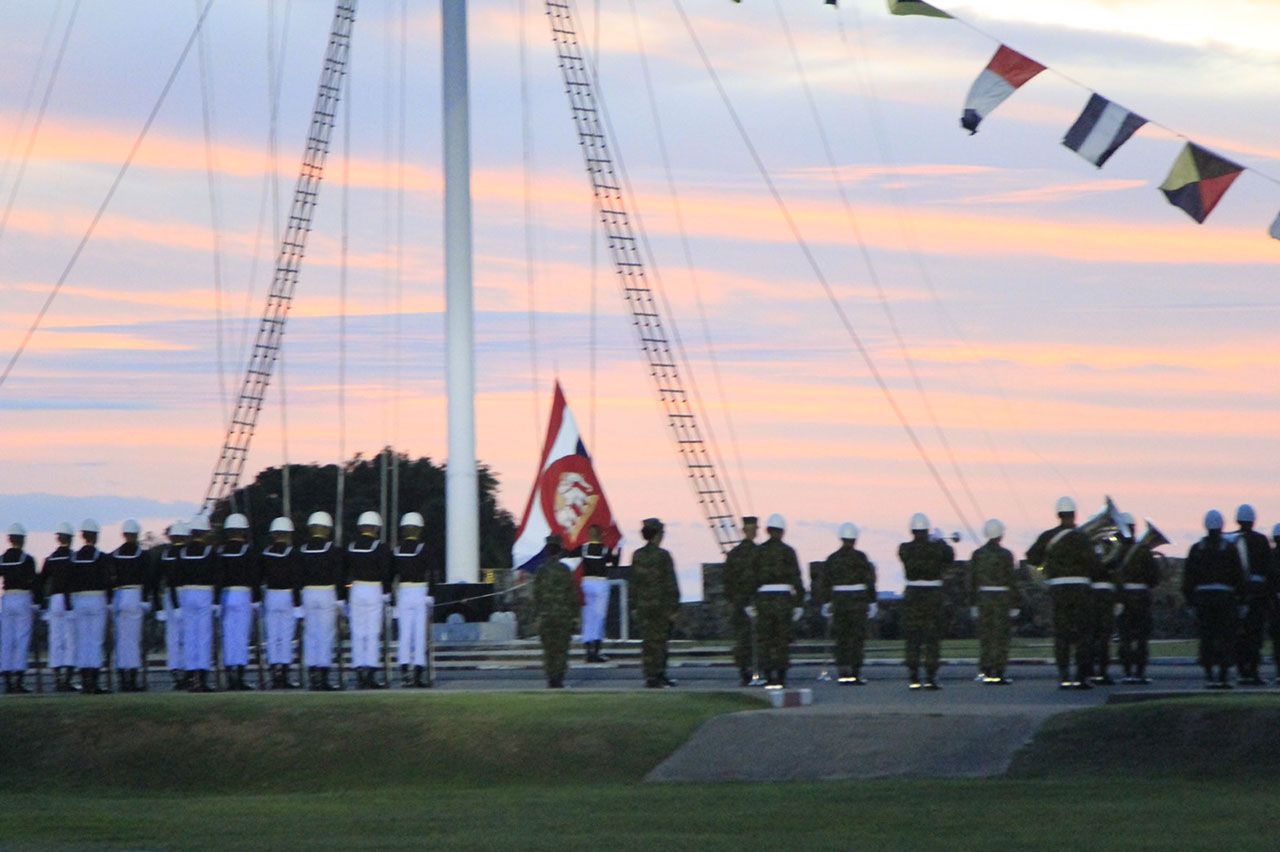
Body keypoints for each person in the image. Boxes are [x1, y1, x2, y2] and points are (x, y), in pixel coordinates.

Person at [1027, 497, 1101, 690]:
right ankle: (1082, 676)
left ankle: (1064, 675)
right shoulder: (1084, 537)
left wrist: (1049, 568)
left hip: (1059, 589)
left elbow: (1032, 557)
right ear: (1074, 514)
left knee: (1062, 633)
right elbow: (1096, 566)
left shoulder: (1048, 536)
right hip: (1081, 589)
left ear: (1058, 514)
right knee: (1084, 633)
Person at [1182, 509, 1245, 689]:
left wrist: (1190, 602)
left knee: (1206, 637)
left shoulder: (1196, 549)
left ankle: (1209, 675)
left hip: (1203, 599)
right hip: (1225, 599)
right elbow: (1239, 576)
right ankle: (1223, 676)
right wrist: (1242, 600)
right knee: (1226, 636)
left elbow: (1188, 579)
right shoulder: (1229, 549)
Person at [815, 522, 877, 685]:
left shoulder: (832, 559)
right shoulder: (861, 558)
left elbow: (824, 582)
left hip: (839, 601)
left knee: (841, 638)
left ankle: (843, 672)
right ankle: (855, 673)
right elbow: (870, 581)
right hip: (858, 601)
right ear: (855, 539)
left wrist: (826, 602)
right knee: (856, 638)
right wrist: (872, 601)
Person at [748, 514, 804, 690]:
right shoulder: (788, 552)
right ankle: (781, 676)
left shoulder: (758, 551)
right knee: (782, 640)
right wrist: (799, 602)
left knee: (765, 640)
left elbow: (750, 578)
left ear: (767, 531)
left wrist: (750, 602)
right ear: (782, 532)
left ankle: (768, 675)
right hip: (783, 600)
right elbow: (797, 579)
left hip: (763, 600)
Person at [900, 513, 954, 689]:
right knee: (932, 637)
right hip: (932, 594)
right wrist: (939, 541)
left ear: (912, 530)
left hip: (913, 594)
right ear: (927, 530)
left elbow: (910, 553)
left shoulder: (904, 548)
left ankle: (914, 677)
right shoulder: (936, 548)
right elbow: (949, 556)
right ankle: (931, 677)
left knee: (913, 636)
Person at [631, 518, 681, 689]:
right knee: (660, 643)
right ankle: (659, 674)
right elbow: (671, 583)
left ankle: (650, 676)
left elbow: (634, 583)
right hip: (661, 607)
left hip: (644, 606)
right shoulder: (663, 556)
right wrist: (674, 607)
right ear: (657, 535)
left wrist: (633, 606)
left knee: (648, 643)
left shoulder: (637, 555)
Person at [298, 511, 344, 691]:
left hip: (308, 593)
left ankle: (312, 674)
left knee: (310, 634)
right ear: (327, 529)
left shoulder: (302, 550)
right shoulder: (333, 550)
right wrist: (340, 599)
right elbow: (339, 575)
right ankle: (323, 675)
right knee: (325, 635)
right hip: (326, 593)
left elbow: (298, 576)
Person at [346, 511, 392, 690]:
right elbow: (386, 571)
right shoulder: (381, 548)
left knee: (357, 632)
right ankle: (371, 673)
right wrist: (387, 592)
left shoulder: (351, 547)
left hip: (356, 589)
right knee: (372, 632)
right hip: (374, 589)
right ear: (376, 528)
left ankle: (359, 672)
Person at [969, 519, 1017, 685]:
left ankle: (985, 670)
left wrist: (972, 603)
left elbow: (972, 580)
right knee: (1001, 636)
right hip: (1002, 598)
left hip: (983, 598)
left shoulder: (977, 554)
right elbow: (1012, 580)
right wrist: (1015, 603)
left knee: (986, 636)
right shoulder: (1006, 555)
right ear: (1000, 534)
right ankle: (999, 671)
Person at [68, 519, 112, 694]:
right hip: (97, 599)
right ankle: (93, 680)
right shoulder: (101, 557)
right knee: (95, 641)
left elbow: (69, 582)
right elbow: (108, 580)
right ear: (96, 536)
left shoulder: (74, 558)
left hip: (79, 600)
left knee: (82, 641)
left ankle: (85, 679)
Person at [1230, 504, 1273, 685]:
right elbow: (1268, 569)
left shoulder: (1230, 540)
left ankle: (1241, 670)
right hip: (1258, 594)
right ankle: (1253, 672)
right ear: (1253, 520)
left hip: (1236, 594)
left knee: (1240, 634)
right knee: (1255, 635)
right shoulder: (1261, 540)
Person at [178, 516, 220, 693]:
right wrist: (216, 601)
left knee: (189, 636)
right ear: (204, 533)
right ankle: (202, 677)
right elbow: (217, 576)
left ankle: (190, 676)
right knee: (203, 636)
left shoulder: (182, 552)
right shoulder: (210, 552)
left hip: (186, 593)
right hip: (204, 593)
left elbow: (176, 577)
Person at [1117, 515, 1161, 684]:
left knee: (1125, 637)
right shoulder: (1144, 551)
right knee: (1142, 637)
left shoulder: (1117, 551)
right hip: (1142, 597)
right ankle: (1140, 673)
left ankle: (1127, 673)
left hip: (1124, 598)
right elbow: (1155, 578)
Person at [219, 513, 260, 691]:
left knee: (229, 637)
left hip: (225, 595)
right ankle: (240, 675)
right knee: (241, 637)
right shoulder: (248, 551)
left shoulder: (220, 551)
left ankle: (230, 675)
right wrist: (256, 599)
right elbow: (254, 577)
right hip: (243, 594)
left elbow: (218, 576)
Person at [392, 512, 433, 688]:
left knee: (405, 635)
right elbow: (432, 573)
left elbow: (391, 574)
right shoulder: (424, 549)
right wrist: (431, 594)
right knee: (419, 635)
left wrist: (393, 600)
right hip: (420, 592)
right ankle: (417, 673)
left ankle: (404, 673)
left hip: (403, 592)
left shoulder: (397, 550)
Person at [533, 534, 578, 688]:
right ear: (560, 550)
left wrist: (537, 616)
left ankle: (551, 678)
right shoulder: (565, 571)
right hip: (563, 615)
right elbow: (572, 595)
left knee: (549, 649)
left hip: (546, 615)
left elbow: (536, 596)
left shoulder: (541, 571)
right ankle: (558, 678)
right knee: (561, 648)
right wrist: (575, 617)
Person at [261, 517, 301, 689]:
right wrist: (298, 603)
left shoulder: (266, 553)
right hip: (286, 595)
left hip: (270, 595)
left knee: (272, 636)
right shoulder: (292, 554)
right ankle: (283, 672)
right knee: (285, 636)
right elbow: (296, 579)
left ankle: (273, 671)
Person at [110, 519, 150, 692]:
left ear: (124, 534)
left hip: (119, 595)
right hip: (135, 595)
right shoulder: (143, 555)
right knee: (133, 640)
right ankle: (131, 679)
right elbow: (147, 578)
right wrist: (146, 599)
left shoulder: (114, 555)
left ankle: (121, 678)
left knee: (121, 639)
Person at [1, 523, 40, 693]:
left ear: (9, 539)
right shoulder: (27, 560)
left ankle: (7, 678)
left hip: (7, 598)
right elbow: (35, 583)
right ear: (23, 540)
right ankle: (18, 678)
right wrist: (38, 604)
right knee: (21, 639)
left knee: (7, 640)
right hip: (23, 597)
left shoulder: (2, 559)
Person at [722, 516, 759, 687]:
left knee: (753, 639)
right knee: (744, 640)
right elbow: (728, 581)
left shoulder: (759, 553)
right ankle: (746, 671)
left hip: (751, 602)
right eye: (750, 529)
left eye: (754, 529)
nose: (752, 532)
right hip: (743, 603)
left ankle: (753, 671)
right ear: (745, 530)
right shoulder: (737, 554)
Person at [41, 522, 76, 692]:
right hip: (69, 600)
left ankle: (57, 680)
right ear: (70, 539)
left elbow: (42, 581)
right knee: (70, 640)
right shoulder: (73, 557)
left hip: (54, 601)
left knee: (55, 639)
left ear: (58, 538)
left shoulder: (50, 558)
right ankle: (67, 679)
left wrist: (41, 604)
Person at [156, 521, 189, 690]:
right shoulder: (184, 553)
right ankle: (186, 670)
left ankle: (176, 670)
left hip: (169, 595)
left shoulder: (165, 554)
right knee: (186, 636)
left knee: (173, 635)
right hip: (184, 594)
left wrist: (159, 607)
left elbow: (158, 579)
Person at [578, 524, 614, 664]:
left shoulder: (583, 548)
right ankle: (597, 651)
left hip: (586, 583)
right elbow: (614, 563)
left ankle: (588, 651)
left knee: (588, 617)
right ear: (600, 534)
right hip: (600, 583)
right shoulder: (605, 549)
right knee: (599, 618)